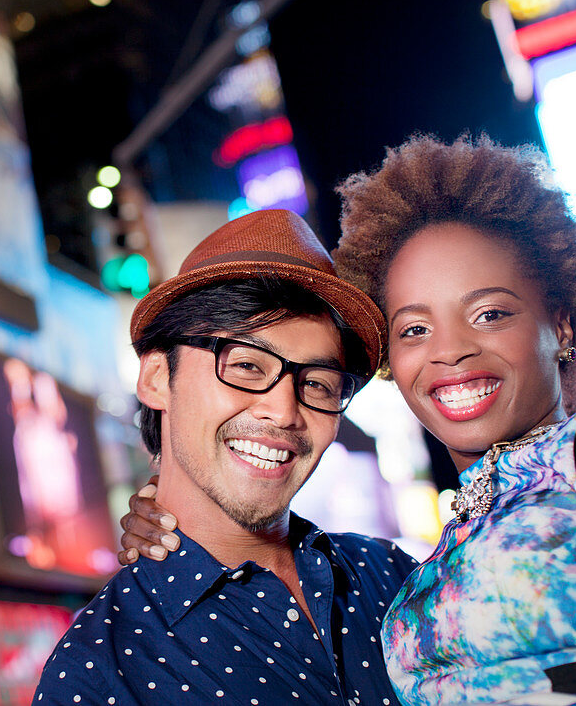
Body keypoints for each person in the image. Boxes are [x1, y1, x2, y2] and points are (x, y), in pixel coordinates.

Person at [120, 135, 576, 705]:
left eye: (489, 314)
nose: (451, 351)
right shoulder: (417, 569)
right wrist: (178, 508)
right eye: (415, 329)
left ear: (561, 325)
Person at [34, 209, 420, 705]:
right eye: (244, 365)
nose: (283, 412)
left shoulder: (393, 577)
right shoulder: (100, 670)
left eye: (317, 384)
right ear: (156, 378)